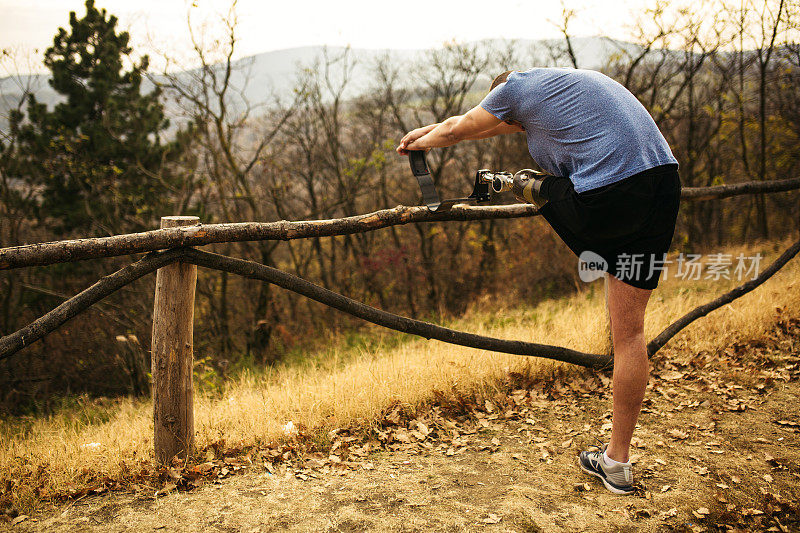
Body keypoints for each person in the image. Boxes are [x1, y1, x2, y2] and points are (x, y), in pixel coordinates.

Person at [396, 67, 680, 495]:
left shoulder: (516, 88)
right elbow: (475, 127)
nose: (510, 128)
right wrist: (434, 129)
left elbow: (461, 129)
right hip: (662, 186)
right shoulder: (564, 88)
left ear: (503, 97)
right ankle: (616, 463)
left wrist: (418, 140)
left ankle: (515, 186)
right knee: (630, 334)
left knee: (525, 182)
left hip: (611, 197)